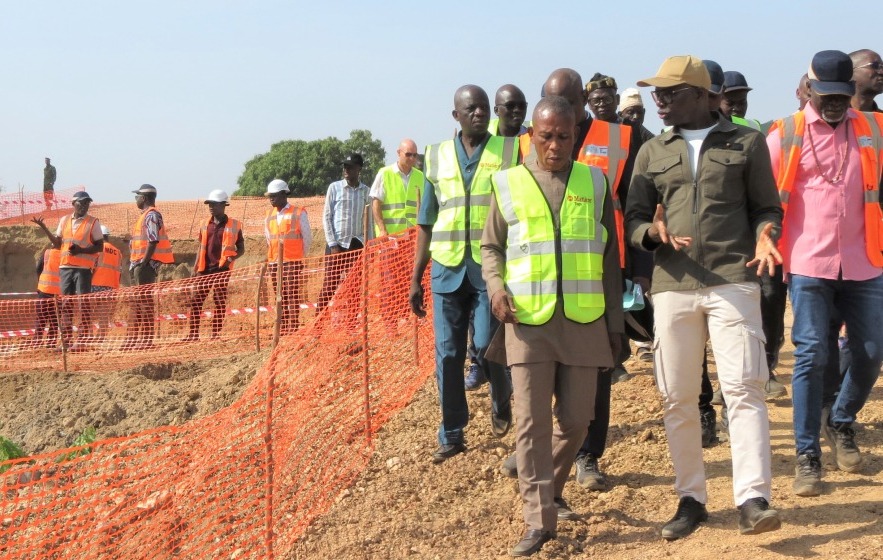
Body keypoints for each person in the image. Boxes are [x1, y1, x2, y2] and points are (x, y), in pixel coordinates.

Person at [626, 55, 783, 539]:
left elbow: (765, 206)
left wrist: (766, 234)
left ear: (699, 94)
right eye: (657, 94)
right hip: (673, 287)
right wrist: (650, 235)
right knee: (677, 399)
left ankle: (753, 499)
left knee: (743, 389)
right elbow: (633, 217)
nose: (660, 101)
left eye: (669, 93)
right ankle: (691, 499)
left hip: (733, 279)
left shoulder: (747, 141)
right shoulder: (653, 151)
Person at [483, 95, 623, 557]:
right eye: (547, 136)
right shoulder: (507, 184)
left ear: (576, 134)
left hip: (583, 319)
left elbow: (609, 259)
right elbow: (491, 248)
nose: (556, 146)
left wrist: (616, 323)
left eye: (564, 136)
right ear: (532, 135)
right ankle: (538, 518)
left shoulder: (596, 182)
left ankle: (550, 485)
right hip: (527, 319)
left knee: (577, 421)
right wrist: (496, 288)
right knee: (530, 422)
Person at [766, 50, 883, 497]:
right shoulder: (784, 135)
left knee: (871, 351)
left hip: (865, 258)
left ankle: (841, 420)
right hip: (809, 262)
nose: (835, 103)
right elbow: (762, 199)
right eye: (826, 95)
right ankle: (807, 454)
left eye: (843, 95)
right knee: (813, 353)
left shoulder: (873, 129)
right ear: (808, 88)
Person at [409, 84, 516, 463]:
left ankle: (502, 401)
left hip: (490, 269)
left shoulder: (508, 150)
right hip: (447, 268)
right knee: (449, 353)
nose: (480, 113)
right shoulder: (435, 156)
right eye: (471, 109)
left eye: (484, 108)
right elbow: (426, 220)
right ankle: (452, 433)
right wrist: (416, 276)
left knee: (488, 345)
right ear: (456, 115)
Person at [31, 190, 104, 349]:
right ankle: (66, 341)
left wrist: (81, 251)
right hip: (65, 268)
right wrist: (44, 227)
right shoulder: (64, 221)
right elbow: (58, 244)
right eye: (81, 202)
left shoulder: (93, 222)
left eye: (87, 203)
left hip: (83, 269)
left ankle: (83, 340)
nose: (84, 206)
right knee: (65, 305)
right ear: (73, 204)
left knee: (83, 303)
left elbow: (100, 246)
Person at [370, 139, 423, 334]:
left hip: (412, 239)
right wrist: (382, 229)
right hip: (390, 239)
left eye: (414, 155)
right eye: (408, 154)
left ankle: (406, 317)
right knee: (389, 281)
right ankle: (390, 321)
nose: (411, 158)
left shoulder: (419, 177)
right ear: (398, 153)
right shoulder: (385, 174)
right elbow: (376, 203)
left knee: (409, 279)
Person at [185, 189, 245, 341]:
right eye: (209, 204)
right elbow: (201, 246)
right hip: (204, 269)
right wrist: (196, 266)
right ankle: (193, 335)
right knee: (196, 301)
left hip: (222, 269)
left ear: (224, 205)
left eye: (214, 204)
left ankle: (215, 335)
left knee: (219, 302)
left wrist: (231, 259)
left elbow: (241, 249)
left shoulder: (234, 225)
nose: (211, 207)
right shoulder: (204, 224)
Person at [318, 153, 370, 322]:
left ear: (359, 169)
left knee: (355, 288)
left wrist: (369, 245)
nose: (346, 170)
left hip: (357, 244)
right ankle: (318, 324)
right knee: (329, 287)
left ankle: (351, 324)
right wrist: (332, 243)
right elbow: (327, 216)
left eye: (350, 167)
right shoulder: (335, 188)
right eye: (344, 167)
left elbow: (368, 220)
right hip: (337, 244)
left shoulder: (366, 191)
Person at [124, 184, 174, 350]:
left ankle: (146, 339)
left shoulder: (151, 215)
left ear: (144, 198)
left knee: (144, 303)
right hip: (139, 264)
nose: (136, 199)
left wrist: (144, 262)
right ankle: (134, 339)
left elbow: (153, 241)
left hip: (144, 266)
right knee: (137, 303)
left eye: (137, 196)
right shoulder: (145, 216)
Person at [264, 179, 311, 334]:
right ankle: (282, 324)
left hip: (292, 261)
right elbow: (268, 238)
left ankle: (293, 325)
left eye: (274, 195)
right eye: (270, 196)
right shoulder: (269, 215)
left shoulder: (298, 212)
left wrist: (299, 257)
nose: (271, 198)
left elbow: (307, 238)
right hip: (274, 262)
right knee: (279, 294)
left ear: (284, 194)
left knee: (291, 292)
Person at [91, 225, 122, 342]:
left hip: (95, 283)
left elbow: (92, 266)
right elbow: (120, 271)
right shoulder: (117, 252)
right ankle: (101, 335)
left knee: (90, 310)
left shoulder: (97, 248)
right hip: (111, 285)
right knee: (104, 311)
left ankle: (88, 334)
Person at [33, 247, 61, 348]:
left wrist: (40, 280)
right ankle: (51, 342)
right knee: (55, 319)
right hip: (58, 292)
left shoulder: (47, 252)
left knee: (41, 317)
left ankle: (37, 341)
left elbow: (38, 267)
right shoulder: (66, 254)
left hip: (44, 289)